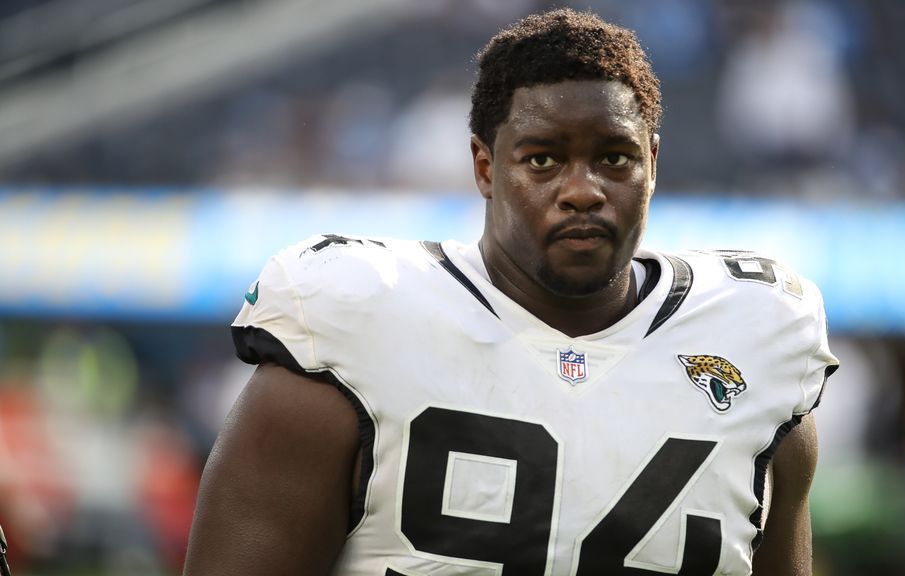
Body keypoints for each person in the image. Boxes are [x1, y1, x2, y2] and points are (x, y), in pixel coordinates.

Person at [183, 9, 838, 576]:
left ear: (653, 165)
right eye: (544, 159)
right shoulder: (351, 329)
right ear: (484, 166)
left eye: (614, 157)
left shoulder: (756, 338)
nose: (583, 190)